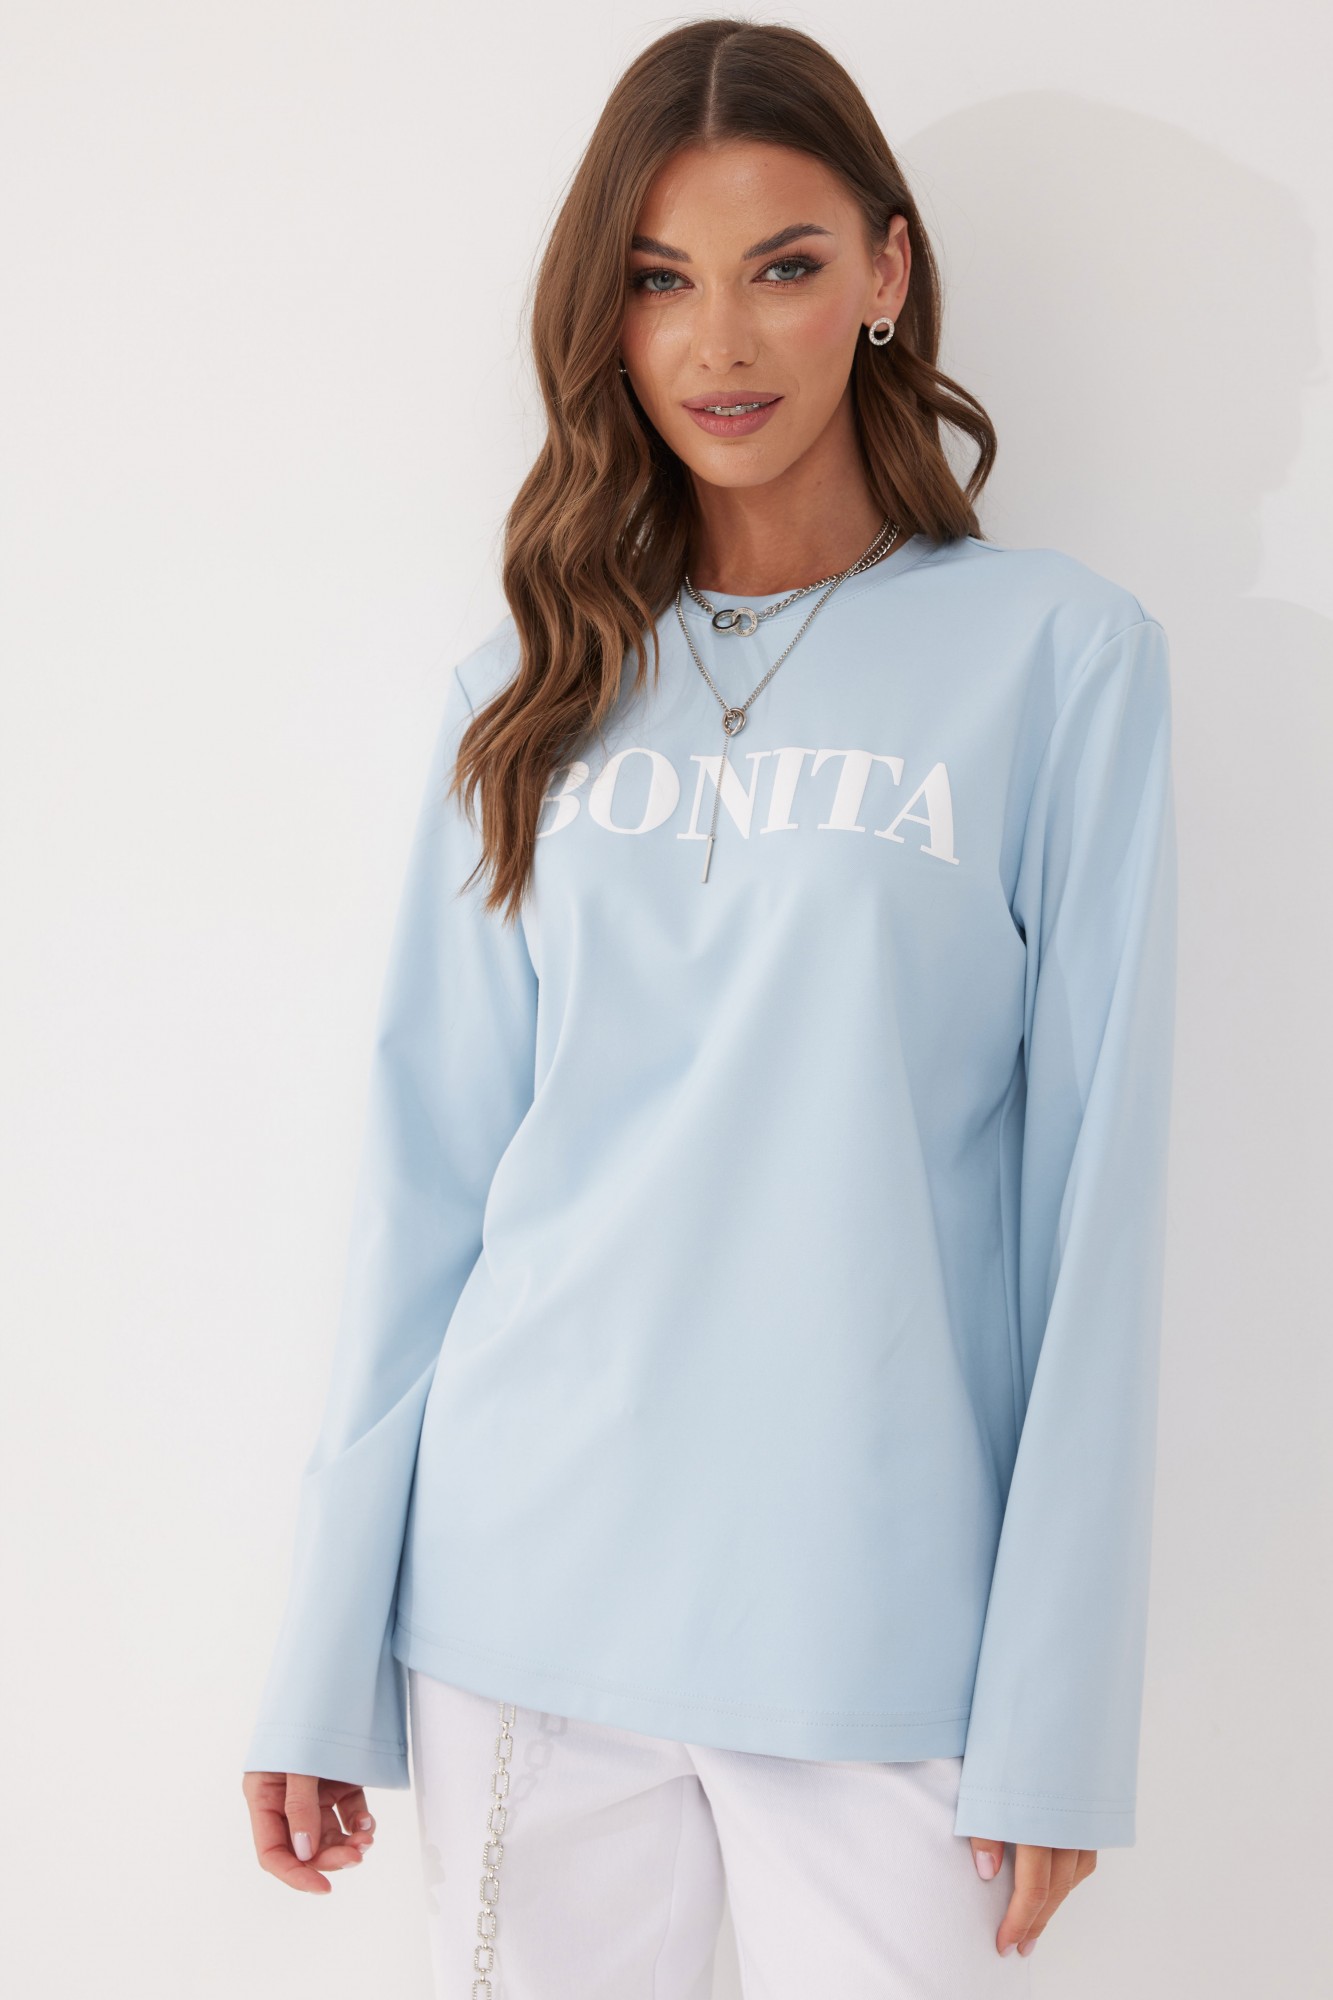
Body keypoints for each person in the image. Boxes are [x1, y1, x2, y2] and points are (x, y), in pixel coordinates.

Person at [240, 18, 1178, 1997]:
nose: (719, 342)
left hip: (879, 1631)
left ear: (886, 273)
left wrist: (1060, 1706)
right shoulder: (530, 682)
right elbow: (429, 1179)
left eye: (784, 266)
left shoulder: (1058, 660)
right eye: (659, 279)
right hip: (520, 1606)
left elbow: (1094, 1207)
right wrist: (325, 1646)